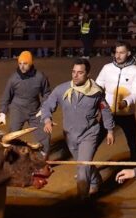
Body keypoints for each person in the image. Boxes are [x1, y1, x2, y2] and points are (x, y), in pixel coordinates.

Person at [39, 58, 114, 198]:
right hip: (69, 135)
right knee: (83, 163)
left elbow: (105, 110)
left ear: (88, 75)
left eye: (80, 73)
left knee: (82, 166)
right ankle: (95, 180)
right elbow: (47, 105)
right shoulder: (62, 89)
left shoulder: (96, 93)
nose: (75, 75)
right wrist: (47, 119)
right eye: (73, 72)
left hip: (89, 134)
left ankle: (82, 199)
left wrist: (109, 130)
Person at [95, 41, 136, 160]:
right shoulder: (107, 68)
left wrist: (126, 102)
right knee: (94, 141)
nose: (118, 55)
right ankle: (84, 167)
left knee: (132, 142)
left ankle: (135, 168)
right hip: (108, 112)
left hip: (127, 113)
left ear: (129, 53)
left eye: (121, 53)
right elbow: (97, 86)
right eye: (116, 52)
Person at [0, 51, 51, 157]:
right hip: (18, 110)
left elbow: (47, 93)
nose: (22, 66)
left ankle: (42, 158)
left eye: (25, 63)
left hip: (35, 111)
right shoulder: (13, 79)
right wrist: (2, 113)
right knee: (12, 135)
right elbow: (6, 96)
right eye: (20, 63)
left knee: (44, 135)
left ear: (31, 63)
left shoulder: (40, 77)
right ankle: (12, 158)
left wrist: (44, 108)